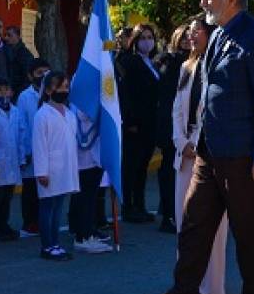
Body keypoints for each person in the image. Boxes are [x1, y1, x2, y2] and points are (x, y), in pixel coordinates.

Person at [166, 0, 254, 294]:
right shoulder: (216, 35)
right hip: (208, 155)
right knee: (192, 230)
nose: (203, 1)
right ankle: (182, 291)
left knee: (249, 241)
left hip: (245, 161)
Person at [172, 14, 227, 294]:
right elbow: (177, 110)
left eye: (197, 32)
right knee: (185, 224)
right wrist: (182, 142)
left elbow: (216, 111)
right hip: (185, 157)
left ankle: (213, 290)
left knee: (213, 230)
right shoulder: (185, 67)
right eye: (189, 32)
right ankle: (187, 286)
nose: (191, 37)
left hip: (211, 154)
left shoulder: (219, 65)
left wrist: (197, 141)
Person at [33, 71, 79, 260]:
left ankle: (55, 243)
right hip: (50, 170)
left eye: (66, 87)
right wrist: (41, 172)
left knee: (58, 207)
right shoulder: (42, 115)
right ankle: (47, 245)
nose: (64, 90)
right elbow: (39, 146)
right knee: (47, 208)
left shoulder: (69, 113)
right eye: (60, 87)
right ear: (50, 90)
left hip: (65, 168)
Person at [119, 23, 160, 223]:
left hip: (150, 123)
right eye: (142, 38)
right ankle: (128, 207)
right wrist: (130, 120)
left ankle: (140, 204)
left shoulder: (152, 62)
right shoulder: (129, 62)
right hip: (134, 124)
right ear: (134, 41)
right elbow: (126, 94)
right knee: (131, 166)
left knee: (142, 167)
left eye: (150, 37)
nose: (147, 41)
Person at [155, 23, 190, 233]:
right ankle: (168, 213)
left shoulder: (200, 60)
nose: (187, 40)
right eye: (183, 36)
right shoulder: (169, 61)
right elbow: (166, 97)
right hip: (172, 124)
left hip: (191, 125)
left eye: (190, 36)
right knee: (169, 170)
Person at [68, 108, 113, 253]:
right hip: (85, 156)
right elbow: (84, 114)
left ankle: (89, 232)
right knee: (85, 198)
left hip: (96, 154)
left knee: (91, 198)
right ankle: (82, 237)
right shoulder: (82, 98)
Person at [0, 77, 24, 241]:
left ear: (12, 92)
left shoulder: (15, 111)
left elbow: (21, 135)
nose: (3, 93)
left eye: (6, 89)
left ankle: (4, 224)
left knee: (8, 196)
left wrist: (22, 158)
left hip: (12, 160)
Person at [16, 58, 51, 235]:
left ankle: (44, 220)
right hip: (31, 150)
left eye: (47, 73)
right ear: (31, 76)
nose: (43, 76)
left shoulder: (53, 95)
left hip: (50, 150)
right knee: (30, 189)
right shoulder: (25, 97)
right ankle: (29, 221)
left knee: (48, 188)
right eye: (39, 73)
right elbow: (22, 126)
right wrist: (24, 152)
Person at [5, 25, 35, 99]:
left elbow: (28, 78)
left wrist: (16, 92)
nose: (6, 38)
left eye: (9, 35)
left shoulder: (25, 54)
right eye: (5, 35)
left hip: (18, 94)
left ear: (18, 36)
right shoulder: (7, 51)